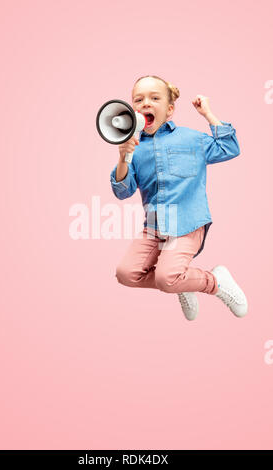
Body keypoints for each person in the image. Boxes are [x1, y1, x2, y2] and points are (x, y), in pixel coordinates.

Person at [110, 75, 248, 321]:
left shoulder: (191, 138)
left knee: (166, 278)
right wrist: (123, 156)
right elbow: (122, 191)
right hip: (154, 227)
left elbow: (230, 148)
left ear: (170, 109)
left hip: (187, 224)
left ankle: (214, 281)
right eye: (138, 100)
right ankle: (183, 282)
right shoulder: (133, 147)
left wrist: (208, 114)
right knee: (125, 273)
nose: (146, 104)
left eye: (154, 98)